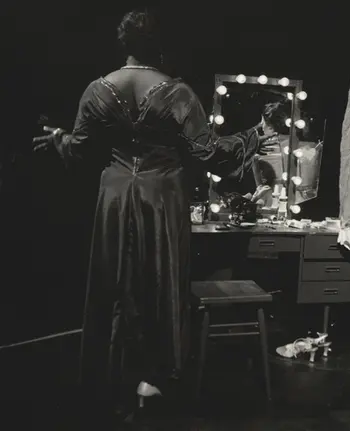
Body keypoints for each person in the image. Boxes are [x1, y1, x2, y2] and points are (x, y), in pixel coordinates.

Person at [31, 9, 275, 416]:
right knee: (159, 279)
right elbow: (207, 151)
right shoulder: (177, 93)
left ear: (123, 43)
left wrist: (59, 139)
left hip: (115, 194)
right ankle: (154, 377)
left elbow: (81, 149)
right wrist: (252, 137)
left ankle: (112, 375)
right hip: (161, 194)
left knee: (116, 278)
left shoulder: (97, 89)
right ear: (160, 46)